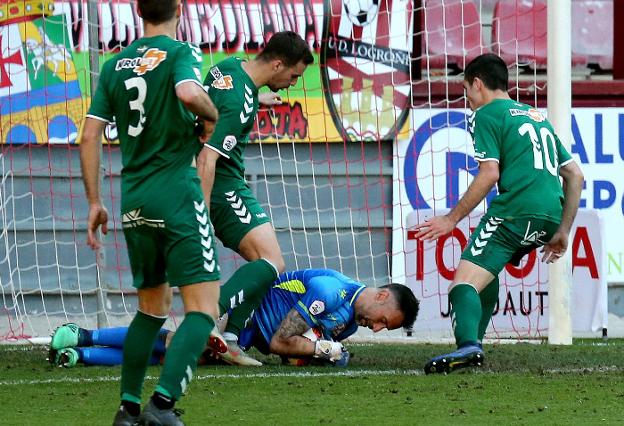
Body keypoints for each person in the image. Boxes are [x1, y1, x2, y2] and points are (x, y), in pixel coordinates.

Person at [79, 1, 225, 424]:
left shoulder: (113, 65)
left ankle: (126, 410)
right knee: (202, 309)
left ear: (139, 10)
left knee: (151, 308)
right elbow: (187, 92)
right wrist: (211, 116)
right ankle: (161, 406)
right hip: (176, 193)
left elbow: (89, 136)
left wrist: (94, 202)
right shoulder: (182, 52)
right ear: (178, 7)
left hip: (134, 198)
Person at [413, 53, 584, 375]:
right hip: (550, 217)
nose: (469, 100)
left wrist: (450, 220)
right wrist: (562, 230)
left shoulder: (487, 115)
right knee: (484, 270)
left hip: (515, 210)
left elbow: (489, 173)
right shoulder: (537, 117)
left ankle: (468, 346)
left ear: (477, 84)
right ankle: (475, 342)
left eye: (466, 91)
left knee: (461, 284)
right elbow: (575, 175)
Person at [195, 31, 314, 366]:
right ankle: (204, 319)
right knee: (271, 262)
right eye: (292, 76)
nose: (292, 83)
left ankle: (230, 338)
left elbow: (213, 102)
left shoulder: (228, 68)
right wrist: (201, 217)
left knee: (268, 263)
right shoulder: (240, 104)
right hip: (222, 186)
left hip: (220, 182)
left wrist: (256, 100)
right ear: (277, 64)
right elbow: (208, 157)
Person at [48, 269, 420, 368]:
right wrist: (325, 350)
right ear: (383, 296)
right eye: (385, 320)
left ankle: (81, 353)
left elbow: (295, 350)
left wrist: (317, 352)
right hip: (241, 318)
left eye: (384, 328)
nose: (377, 328)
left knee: (174, 356)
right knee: (175, 345)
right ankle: (82, 335)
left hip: (256, 337)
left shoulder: (352, 320)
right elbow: (281, 341)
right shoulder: (329, 292)